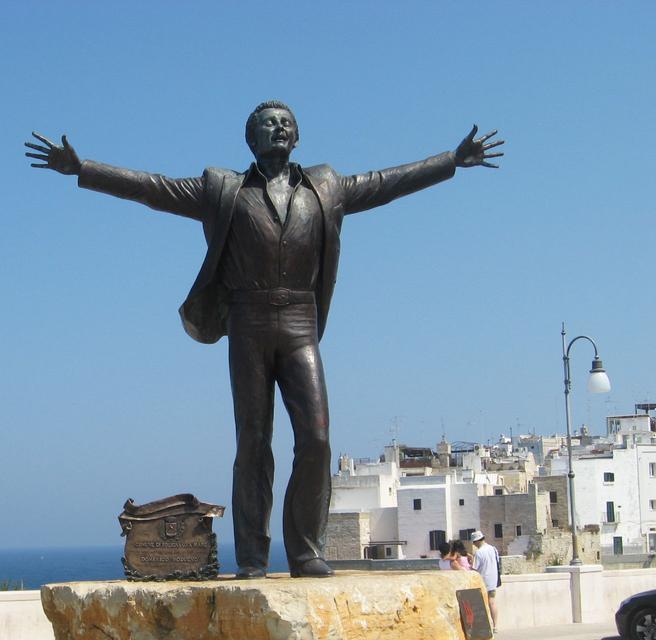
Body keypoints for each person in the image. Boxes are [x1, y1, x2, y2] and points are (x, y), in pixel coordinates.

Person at [26, 102, 502, 580]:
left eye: (287, 122)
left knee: (315, 439)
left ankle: (305, 551)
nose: (280, 127)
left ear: (297, 136)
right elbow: (154, 189)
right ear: (250, 139)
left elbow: (385, 184)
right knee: (253, 442)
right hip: (248, 323)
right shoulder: (223, 189)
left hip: (300, 322)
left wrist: (451, 161)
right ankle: (252, 556)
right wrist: (84, 168)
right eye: (268, 123)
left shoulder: (326, 186)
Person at [471, 530, 501, 630]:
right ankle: (495, 626)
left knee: (483, 604)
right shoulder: (493, 549)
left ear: (476, 541)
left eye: (474, 542)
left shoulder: (479, 553)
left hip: (483, 581)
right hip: (493, 581)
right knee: (492, 602)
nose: (474, 544)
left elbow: (474, 569)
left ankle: (486, 626)